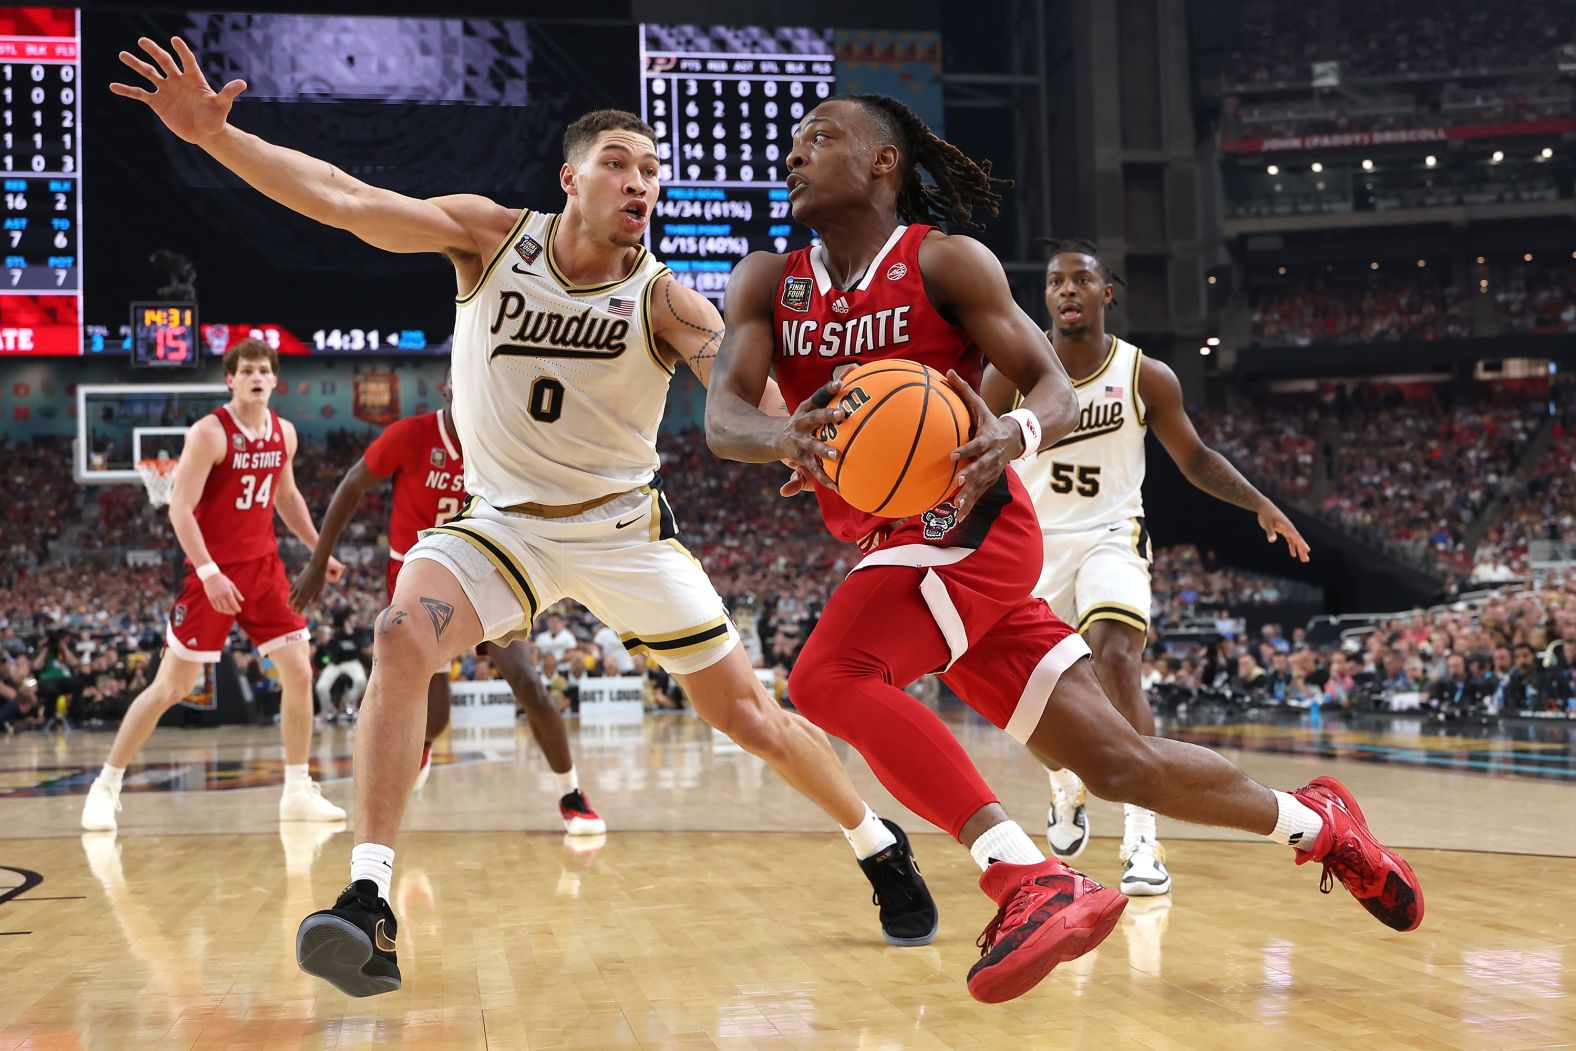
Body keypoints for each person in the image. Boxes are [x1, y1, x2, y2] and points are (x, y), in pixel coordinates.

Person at [111, 37, 936, 998]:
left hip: (622, 526)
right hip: (501, 526)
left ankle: (877, 842)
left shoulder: (664, 297)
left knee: (748, 716)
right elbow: (343, 199)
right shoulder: (488, 237)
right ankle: (368, 901)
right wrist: (219, 139)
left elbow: (731, 397)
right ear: (569, 178)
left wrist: (788, 433)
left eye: (654, 170)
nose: (642, 182)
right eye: (620, 163)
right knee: (397, 632)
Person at [705, 92, 1423, 1003]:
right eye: (795, 139)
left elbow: (1052, 385)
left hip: (970, 523)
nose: (796, 153)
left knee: (826, 677)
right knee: (1122, 763)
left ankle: (1025, 876)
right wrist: (781, 438)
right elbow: (725, 414)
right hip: (905, 545)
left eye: (821, 138)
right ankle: (1319, 824)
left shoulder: (945, 261)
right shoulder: (770, 280)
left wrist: (1016, 435)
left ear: (883, 163)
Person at [978, 238, 1311, 896]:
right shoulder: (1010, 372)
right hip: (1033, 545)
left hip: (1112, 534)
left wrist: (1260, 504)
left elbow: (1196, 459)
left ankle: (1141, 837)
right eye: (1055, 282)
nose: (1067, 289)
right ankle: (1063, 783)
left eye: (1081, 280)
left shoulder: (1143, 375)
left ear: (1107, 294)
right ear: (1043, 297)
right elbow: (977, 457)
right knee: (1045, 711)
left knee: (1118, 658)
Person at [288, 384, 605, 830]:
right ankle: (420, 747)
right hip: (422, 579)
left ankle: (571, 793)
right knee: (434, 714)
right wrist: (318, 561)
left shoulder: (500, 439)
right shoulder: (410, 435)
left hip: (489, 571)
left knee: (528, 682)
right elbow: (352, 484)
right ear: (448, 387)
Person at [80, 339, 348, 832]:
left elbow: (286, 497)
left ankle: (296, 791)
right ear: (230, 379)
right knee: (171, 687)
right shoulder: (209, 434)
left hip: (264, 569)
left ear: (274, 379)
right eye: (246, 371)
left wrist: (318, 550)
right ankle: (106, 785)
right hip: (212, 573)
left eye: (264, 371)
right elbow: (180, 509)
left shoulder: (284, 434)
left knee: (300, 671)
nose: (256, 378)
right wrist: (208, 572)